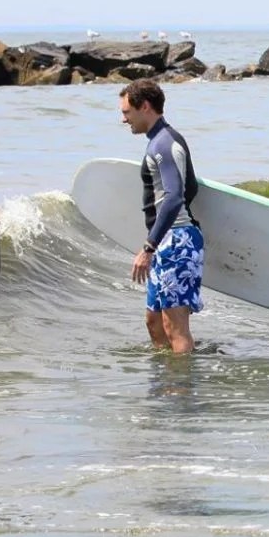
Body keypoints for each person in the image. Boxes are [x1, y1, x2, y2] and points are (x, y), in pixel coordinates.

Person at [119, 78, 203, 353]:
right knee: (154, 322)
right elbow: (191, 188)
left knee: (174, 327)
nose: (124, 120)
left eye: (126, 113)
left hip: (176, 242)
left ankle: (181, 392)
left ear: (144, 107)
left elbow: (176, 195)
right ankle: (169, 383)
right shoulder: (157, 142)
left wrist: (149, 246)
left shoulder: (165, 144)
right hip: (167, 242)